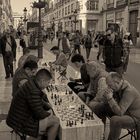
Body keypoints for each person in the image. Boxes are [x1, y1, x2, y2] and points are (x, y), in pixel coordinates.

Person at [6, 69, 60, 140]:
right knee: (55, 121)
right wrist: (50, 114)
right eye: (48, 82)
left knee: (49, 117)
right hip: (20, 122)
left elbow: (38, 100)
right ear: (42, 81)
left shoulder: (32, 82)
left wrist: (49, 107)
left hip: (17, 117)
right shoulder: (33, 90)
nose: (48, 85)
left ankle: (41, 134)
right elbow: (40, 114)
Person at [90, 72, 140, 140]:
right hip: (125, 112)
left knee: (115, 120)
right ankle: (100, 134)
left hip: (135, 117)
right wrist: (106, 97)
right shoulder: (118, 87)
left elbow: (120, 112)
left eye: (110, 85)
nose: (108, 87)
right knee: (101, 107)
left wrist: (110, 98)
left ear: (117, 82)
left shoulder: (129, 91)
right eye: (108, 85)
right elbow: (106, 102)